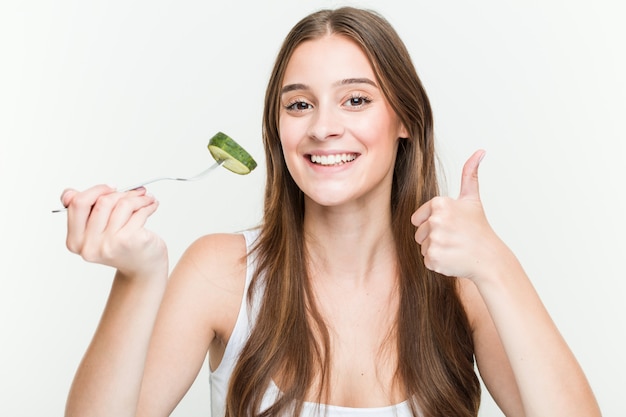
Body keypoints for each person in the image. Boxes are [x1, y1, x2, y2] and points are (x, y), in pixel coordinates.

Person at [60, 6, 601, 417]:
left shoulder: (465, 286)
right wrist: (136, 279)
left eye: (356, 100)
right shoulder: (220, 272)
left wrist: (498, 265)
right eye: (299, 104)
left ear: (406, 119)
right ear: (278, 129)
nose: (322, 127)